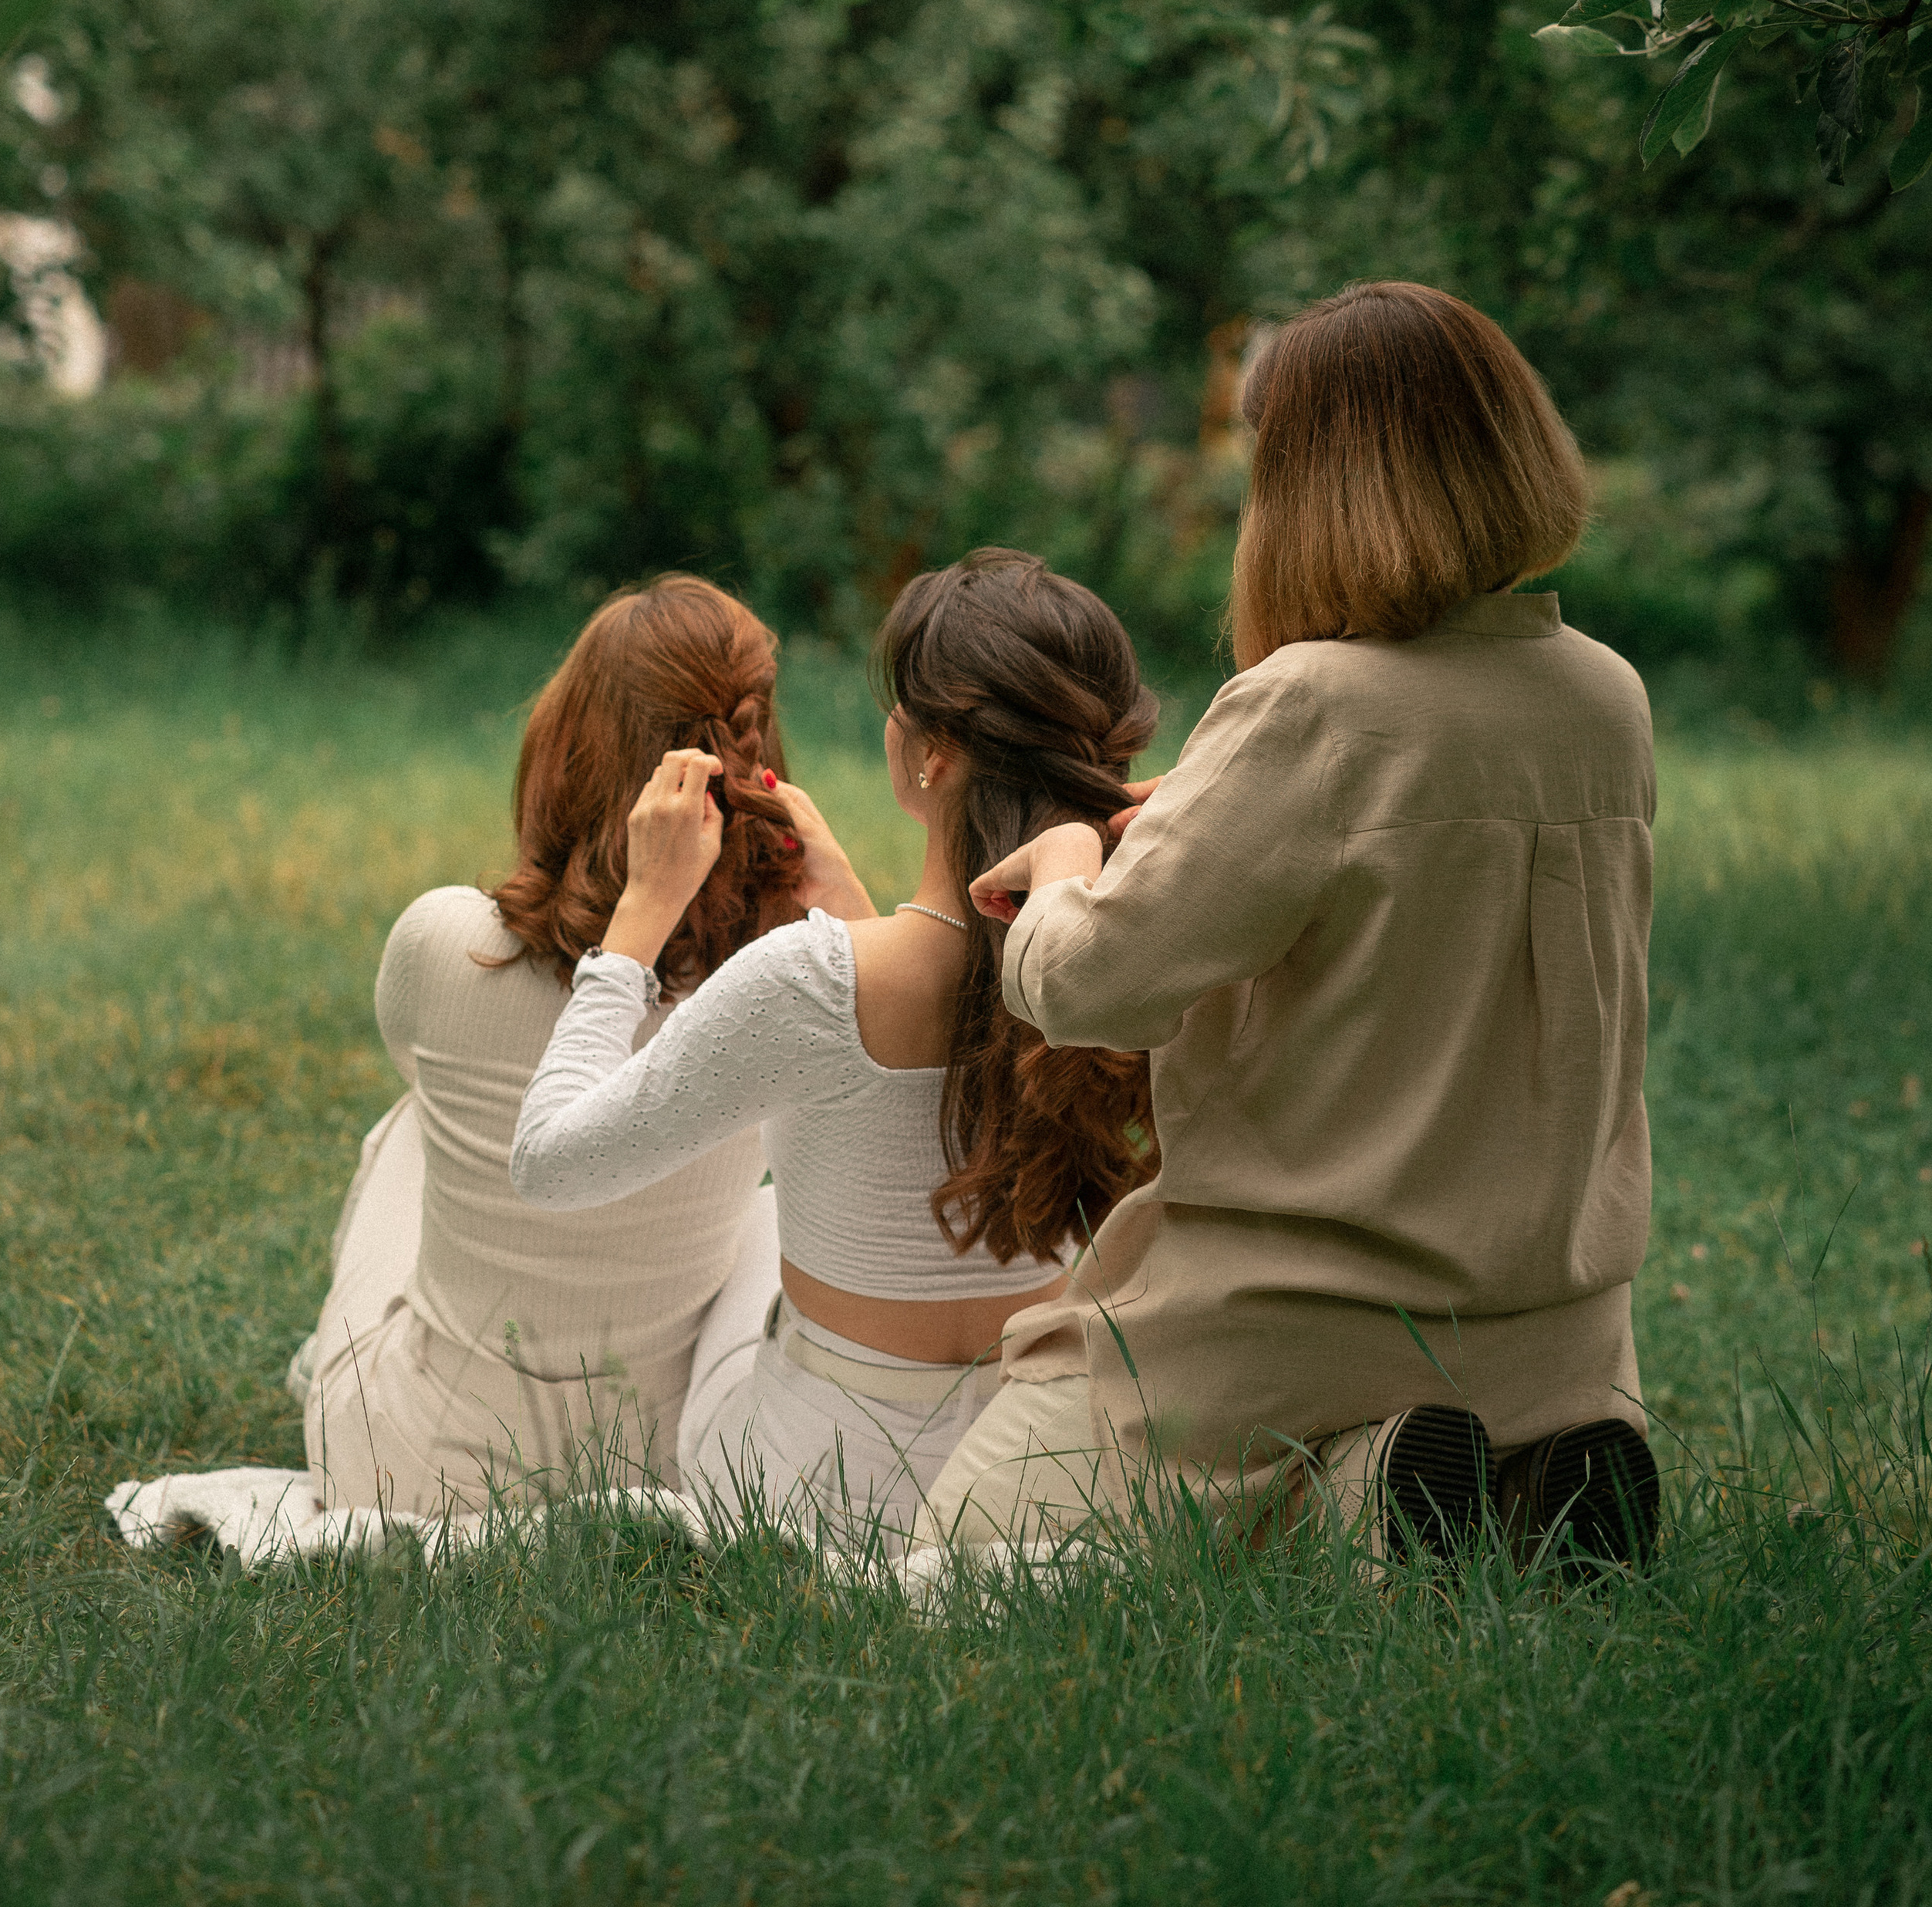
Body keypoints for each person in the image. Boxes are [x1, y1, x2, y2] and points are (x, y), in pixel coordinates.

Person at [919, 282, 1661, 1572]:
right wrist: (1210, 817)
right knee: (1356, 1506)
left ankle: (1368, 1485)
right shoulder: (1605, 698)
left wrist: (1057, 869)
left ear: (1313, 486)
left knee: (969, 1546)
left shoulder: (1310, 706)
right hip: (1563, 1318)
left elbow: (1091, 984)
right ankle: (1440, 1484)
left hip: (1304, 1312)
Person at [510, 549, 1158, 1545]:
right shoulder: (1145, 957)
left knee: (750, 1228)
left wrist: (639, 919)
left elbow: (551, 1164)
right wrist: (854, 902)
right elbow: (962, 1014)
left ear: (931, 754)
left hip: (827, 1494)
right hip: (1051, 1466)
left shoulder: (811, 984)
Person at [297, 574, 869, 1518]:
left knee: (413, 1123)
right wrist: (854, 919)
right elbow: (907, 1097)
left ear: (563, 748)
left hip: (401, 1468)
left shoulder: (446, 942)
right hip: (650, 1459)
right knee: (773, 1196)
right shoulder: (783, 985)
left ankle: (341, 1360)